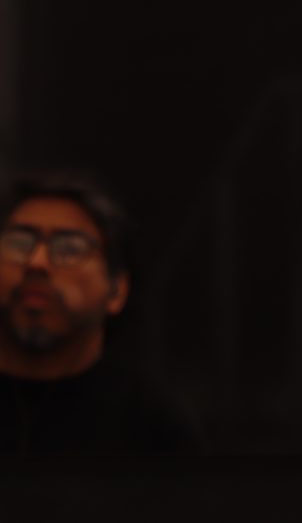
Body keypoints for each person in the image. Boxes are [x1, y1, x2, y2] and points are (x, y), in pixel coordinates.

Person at [0, 171, 199, 454]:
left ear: (116, 290)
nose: (37, 262)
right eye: (19, 243)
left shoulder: (154, 428)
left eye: (69, 248)